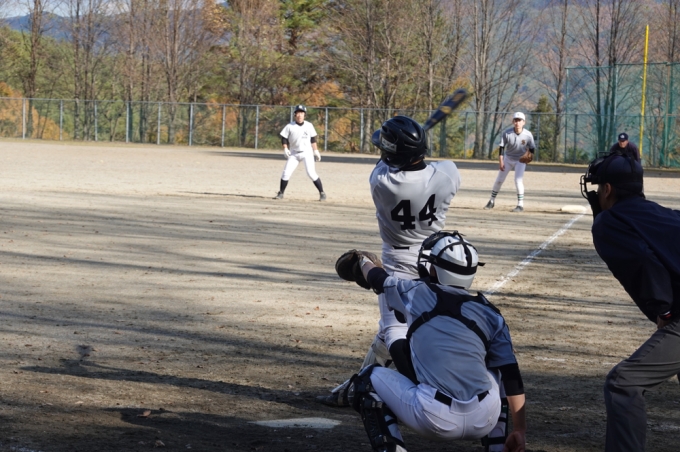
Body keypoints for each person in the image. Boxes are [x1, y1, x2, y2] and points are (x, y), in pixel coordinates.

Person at [316, 116, 461, 409]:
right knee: (418, 325)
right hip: (436, 260)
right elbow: (430, 164)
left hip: (397, 262)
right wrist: (414, 142)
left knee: (393, 330)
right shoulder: (448, 174)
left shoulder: (382, 182)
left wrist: (403, 147)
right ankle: (358, 385)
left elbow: (385, 161)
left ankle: (407, 388)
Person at [343, 232, 526, 452]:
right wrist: (520, 429)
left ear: (434, 268)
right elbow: (513, 377)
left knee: (367, 379)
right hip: (483, 418)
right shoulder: (491, 314)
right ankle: (497, 448)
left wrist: (363, 261)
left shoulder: (415, 292)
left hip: (434, 419)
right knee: (500, 366)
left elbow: (377, 278)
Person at [581, 152, 680, 452]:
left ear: (608, 189)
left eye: (599, 187)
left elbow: (643, 260)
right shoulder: (664, 214)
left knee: (623, 384)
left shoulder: (611, 221)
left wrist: (664, 310)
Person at [484, 112, 536, 212]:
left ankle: (520, 205)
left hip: (520, 160)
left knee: (518, 181)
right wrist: (501, 162)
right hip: (508, 159)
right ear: (513, 122)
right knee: (499, 180)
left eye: (519, 120)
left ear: (524, 122)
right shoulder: (507, 133)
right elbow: (502, 147)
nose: (517, 122)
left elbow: (532, 148)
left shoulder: (528, 135)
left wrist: (529, 156)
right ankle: (491, 201)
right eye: (515, 120)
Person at [275, 104, 326, 201]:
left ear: (304, 115)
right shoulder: (290, 126)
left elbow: (313, 139)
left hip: (307, 153)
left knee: (311, 173)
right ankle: (281, 193)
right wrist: (285, 148)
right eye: (298, 113)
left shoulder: (309, 125)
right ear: (295, 114)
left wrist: (316, 151)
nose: (300, 115)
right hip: (294, 153)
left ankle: (322, 193)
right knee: (286, 173)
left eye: (302, 113)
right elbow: (284, 138)